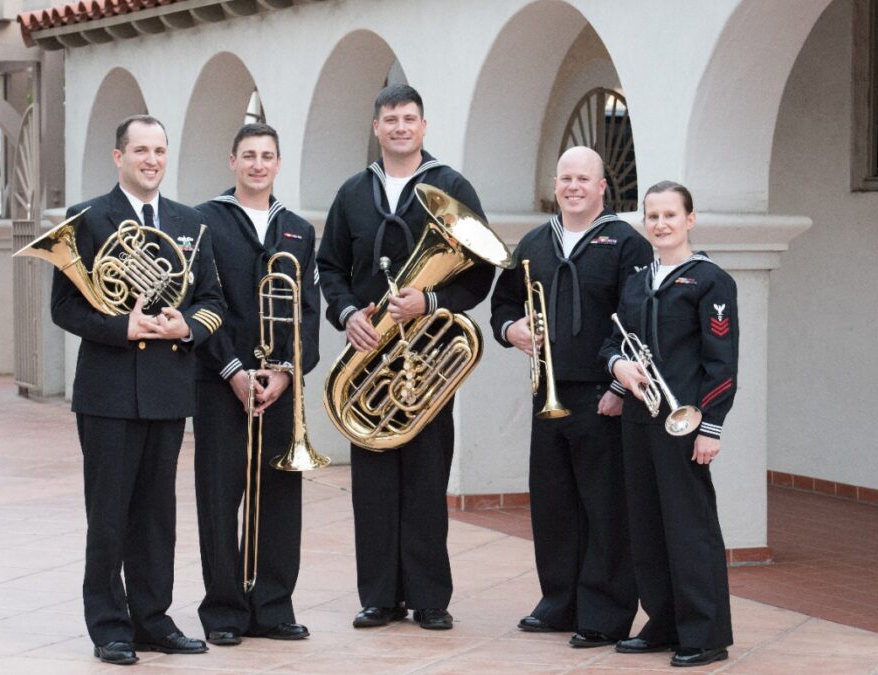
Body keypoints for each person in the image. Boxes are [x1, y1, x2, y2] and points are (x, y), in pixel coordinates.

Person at [316, 84, 495, 631]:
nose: (399, 127)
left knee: (424, 481)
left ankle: (430, 597)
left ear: (423, 126)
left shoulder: (451, 185)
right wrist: (347, 314)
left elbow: (482, 269)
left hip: (430, 356)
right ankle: (379, 597)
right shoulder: (352, 192)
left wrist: (431, 300)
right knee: (372, 485)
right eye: (390, 119)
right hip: (371, 354)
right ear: (376, 128)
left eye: (409, 118)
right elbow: (329, 267)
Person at [50, 114, 224, 666]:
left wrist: (187, 327)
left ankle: (152, 620)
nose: (151, 159)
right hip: (107, 391)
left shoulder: (189, 221)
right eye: (141, 149)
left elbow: (214, 302)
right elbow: (65, 307)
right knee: (108, 514)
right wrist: (121, 326)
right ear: (118, 156)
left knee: (157, 516)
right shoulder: (89, 217)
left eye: (159, 150)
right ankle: (109, 625)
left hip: (168, 388)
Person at [490, 146, 650, 648]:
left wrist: (620, 388)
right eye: (565, 178)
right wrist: (510, 328)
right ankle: (560, 602)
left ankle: (605, 613)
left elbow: (639, 322)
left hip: (603, 394)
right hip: (548, 393)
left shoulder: (627, 243)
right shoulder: (535, 242)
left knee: (606, 508)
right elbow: (503, 302)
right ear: (556, 185)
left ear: (604, 187)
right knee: (554, 505)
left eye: (584, 178)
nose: (574, 186)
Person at [600, 180, 738, 668]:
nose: (660, 224)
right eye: (652, 216)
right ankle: (663, 622)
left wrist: (711, 425)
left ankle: (704, 632)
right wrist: (618, 375)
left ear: (690, 220)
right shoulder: (638, 279)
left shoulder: (709, 280)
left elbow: (721, 363)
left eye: (670, 216)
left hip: (684, 423)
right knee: (647, 526)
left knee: (689, 527)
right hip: (640, 419)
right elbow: (615, 340)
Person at [192, 123, 320, 646]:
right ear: (232, 161)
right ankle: (223, 610)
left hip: (279, 388)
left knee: (280, 498)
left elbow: (309, 313)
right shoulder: (203, 222)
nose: (258, 165)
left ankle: (273, 606)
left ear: (278, 163)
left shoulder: (298, 229)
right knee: (220, 498)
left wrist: (288, 372)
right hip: (222, 382)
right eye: (248, 155)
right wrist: (233, 372)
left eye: (267, 156)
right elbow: (197, 303)